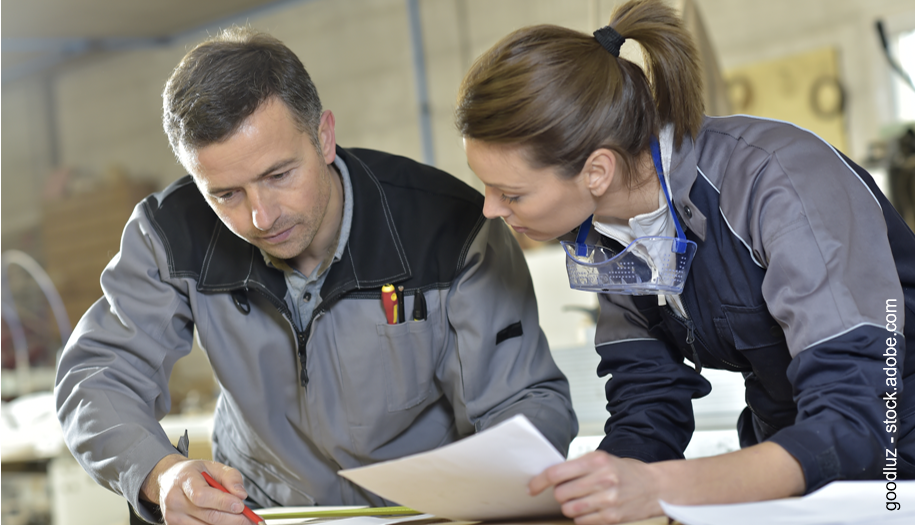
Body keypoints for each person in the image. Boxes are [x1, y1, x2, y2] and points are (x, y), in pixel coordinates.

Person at [54, 27, 578, 525]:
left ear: (324, 137)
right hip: (267, 512)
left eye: (279, 175)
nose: (262, 216)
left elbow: (522, 404)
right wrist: (160, 474)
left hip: (427, 514)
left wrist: (491, 498)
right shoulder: (168, 232)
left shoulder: (452, 228)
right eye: (225, 194)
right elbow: (95, 375)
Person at [456, 0, 914, 522]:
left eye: (510, 193)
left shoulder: (777, 183)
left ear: (597, 170)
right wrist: (594, 494)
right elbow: (647, 401)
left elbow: (860, 415)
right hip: (794, 470)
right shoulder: (606, 233)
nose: (490, 209)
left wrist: (660, 485)